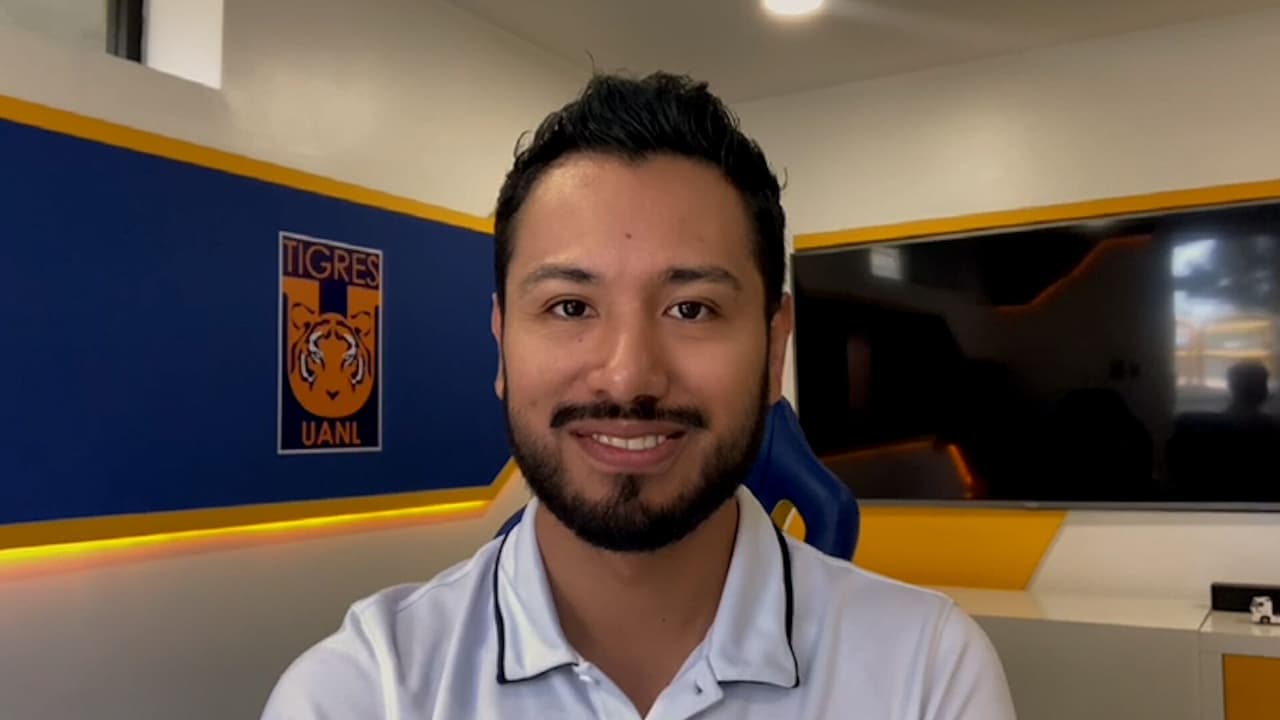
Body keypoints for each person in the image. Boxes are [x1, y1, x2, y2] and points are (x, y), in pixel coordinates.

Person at [262, 71, 1017, 720]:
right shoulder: (363, 692)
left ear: (775, 345)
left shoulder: (925, 673)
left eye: (691, 309)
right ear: (501, 342)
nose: (627, 378)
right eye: (570, 306)